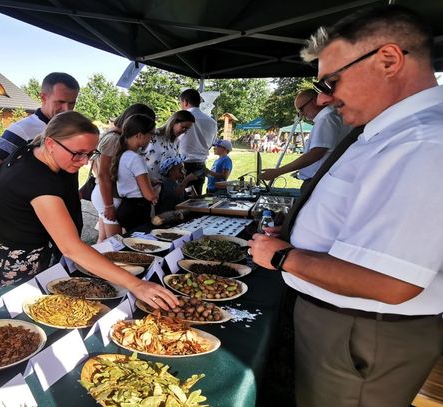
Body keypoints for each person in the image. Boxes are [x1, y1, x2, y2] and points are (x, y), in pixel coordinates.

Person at [248, 6, 443, 407]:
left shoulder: (421, 143)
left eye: (332, 81)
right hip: (348, 327)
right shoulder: (385, 133)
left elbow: (391, 281)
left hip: (362, 333)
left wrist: (283, 257)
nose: (328, 98)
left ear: (388, 60)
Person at [0, 111, 177, 310]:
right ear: (51, 143)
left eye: (90, 153)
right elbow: (71, 248)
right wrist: (136, 284)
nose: (85, 162)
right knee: (10, 311)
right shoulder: (37, 181)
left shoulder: (38, 150)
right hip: (9, 261)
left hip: (30, 250)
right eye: (78, 153)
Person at [0, 72, 82, 234]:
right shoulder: (24, 129)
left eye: (71, 103)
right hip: (38, 217)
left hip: (68, 209)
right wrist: (17, 202)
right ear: (43, 97)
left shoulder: (70, 126)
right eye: (60, 102)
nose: (66, 109)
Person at [260, 89, 352, 189]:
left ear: (313, 101)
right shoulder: (331, 117)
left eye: (301, 109)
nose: (302, 114)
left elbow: (316, 154)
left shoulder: (326, 119)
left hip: (318, 182)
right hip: (322, 179)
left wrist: (278, 171)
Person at [91, 104, 156, 241]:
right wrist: (108, 205)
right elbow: (103, 174)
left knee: (104, 240)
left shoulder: (124, 142)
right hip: (108, 196)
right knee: (115, 242)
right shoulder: (114, 139)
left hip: (112, 194)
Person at [112, 114, 160, 232]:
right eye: (151, 134)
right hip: (137, 210)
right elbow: (150, 195)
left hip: (126, 207)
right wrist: (158, 187)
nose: (151, 139)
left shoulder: (124, 155)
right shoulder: (135, 158)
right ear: (139, 135)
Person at [178, 89, 217, 195]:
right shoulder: (212, 122)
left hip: (182, 165)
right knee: (196, 201)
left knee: (181, 201)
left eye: (180, 103)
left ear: (185, 102)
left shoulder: (180, 118)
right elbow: (211, 144)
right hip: (200, 165)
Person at [144, 110, 195, 182]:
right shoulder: (154, 135)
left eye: (187, 129)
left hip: (165, 186)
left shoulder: (176, 142)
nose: (185, 131)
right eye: (183, 127)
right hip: (148, 184)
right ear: (174, 122)